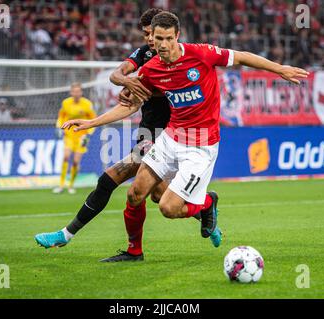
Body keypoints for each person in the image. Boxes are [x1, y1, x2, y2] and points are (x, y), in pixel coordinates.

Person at [61, 12, 308, 242]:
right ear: (151, 38)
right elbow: (131, 105)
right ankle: (133, 251)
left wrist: (279, 69)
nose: (163, 44)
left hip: (201, 143)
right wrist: (91, 123)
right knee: (136, 194)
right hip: (169, 139)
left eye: (169, 38)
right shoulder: (151, 70)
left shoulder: (201, 54)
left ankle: (207, 203)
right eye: (158, 38)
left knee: (168, 208)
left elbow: (241, 56)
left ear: (177, 36)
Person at [34, 9, 223, 261]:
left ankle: (67, 235)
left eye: (153, 35)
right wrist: (124, 85)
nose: (150, 40)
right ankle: (204, 210)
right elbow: (119, 79)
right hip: (147, 130)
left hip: (170, 134)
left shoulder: (182, 60)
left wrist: (136, 89)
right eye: (147, 34)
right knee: (154, 195)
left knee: (111, 179)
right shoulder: (145, 56)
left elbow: (168, 89)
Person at [52, 82, 96, 194]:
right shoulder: (66, 103)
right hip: (69, 135)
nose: (76, 93)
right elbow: (61, 116)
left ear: (81, 92)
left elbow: (93, 120)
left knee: (76, 161)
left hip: (82, 136)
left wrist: (88, 134)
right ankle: (61, 185)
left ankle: (71, 185)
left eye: (78, 91)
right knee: (66, 157)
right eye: (74, 91)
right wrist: (59, 127)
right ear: (71, 92)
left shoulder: (87, 104)